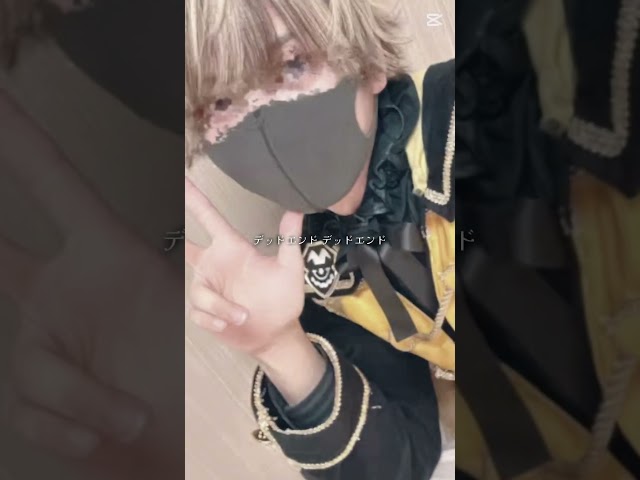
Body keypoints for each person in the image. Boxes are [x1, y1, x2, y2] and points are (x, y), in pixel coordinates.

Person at [185, 1, 455, 478]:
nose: (262, 124)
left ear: (367, 62)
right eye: (223, 103)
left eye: (293, 65)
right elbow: (401, 462)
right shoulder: (314, 268)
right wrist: (279, 346)